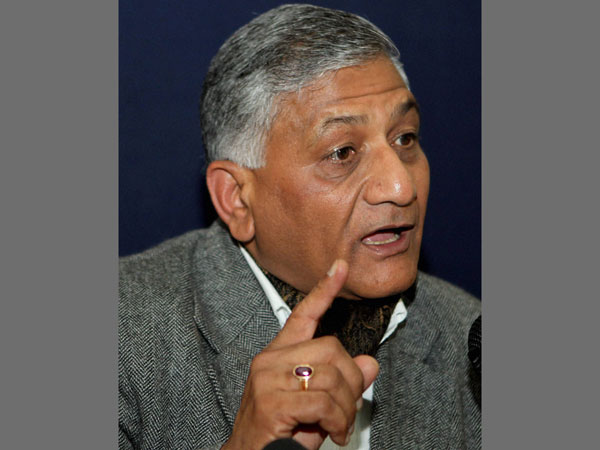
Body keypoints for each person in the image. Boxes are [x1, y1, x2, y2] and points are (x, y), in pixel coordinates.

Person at [119, 4, 481, 450]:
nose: (401, 186)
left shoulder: (470, 339)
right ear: (237, 199)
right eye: (342, 153)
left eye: (404, 138)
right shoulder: (123, 332)